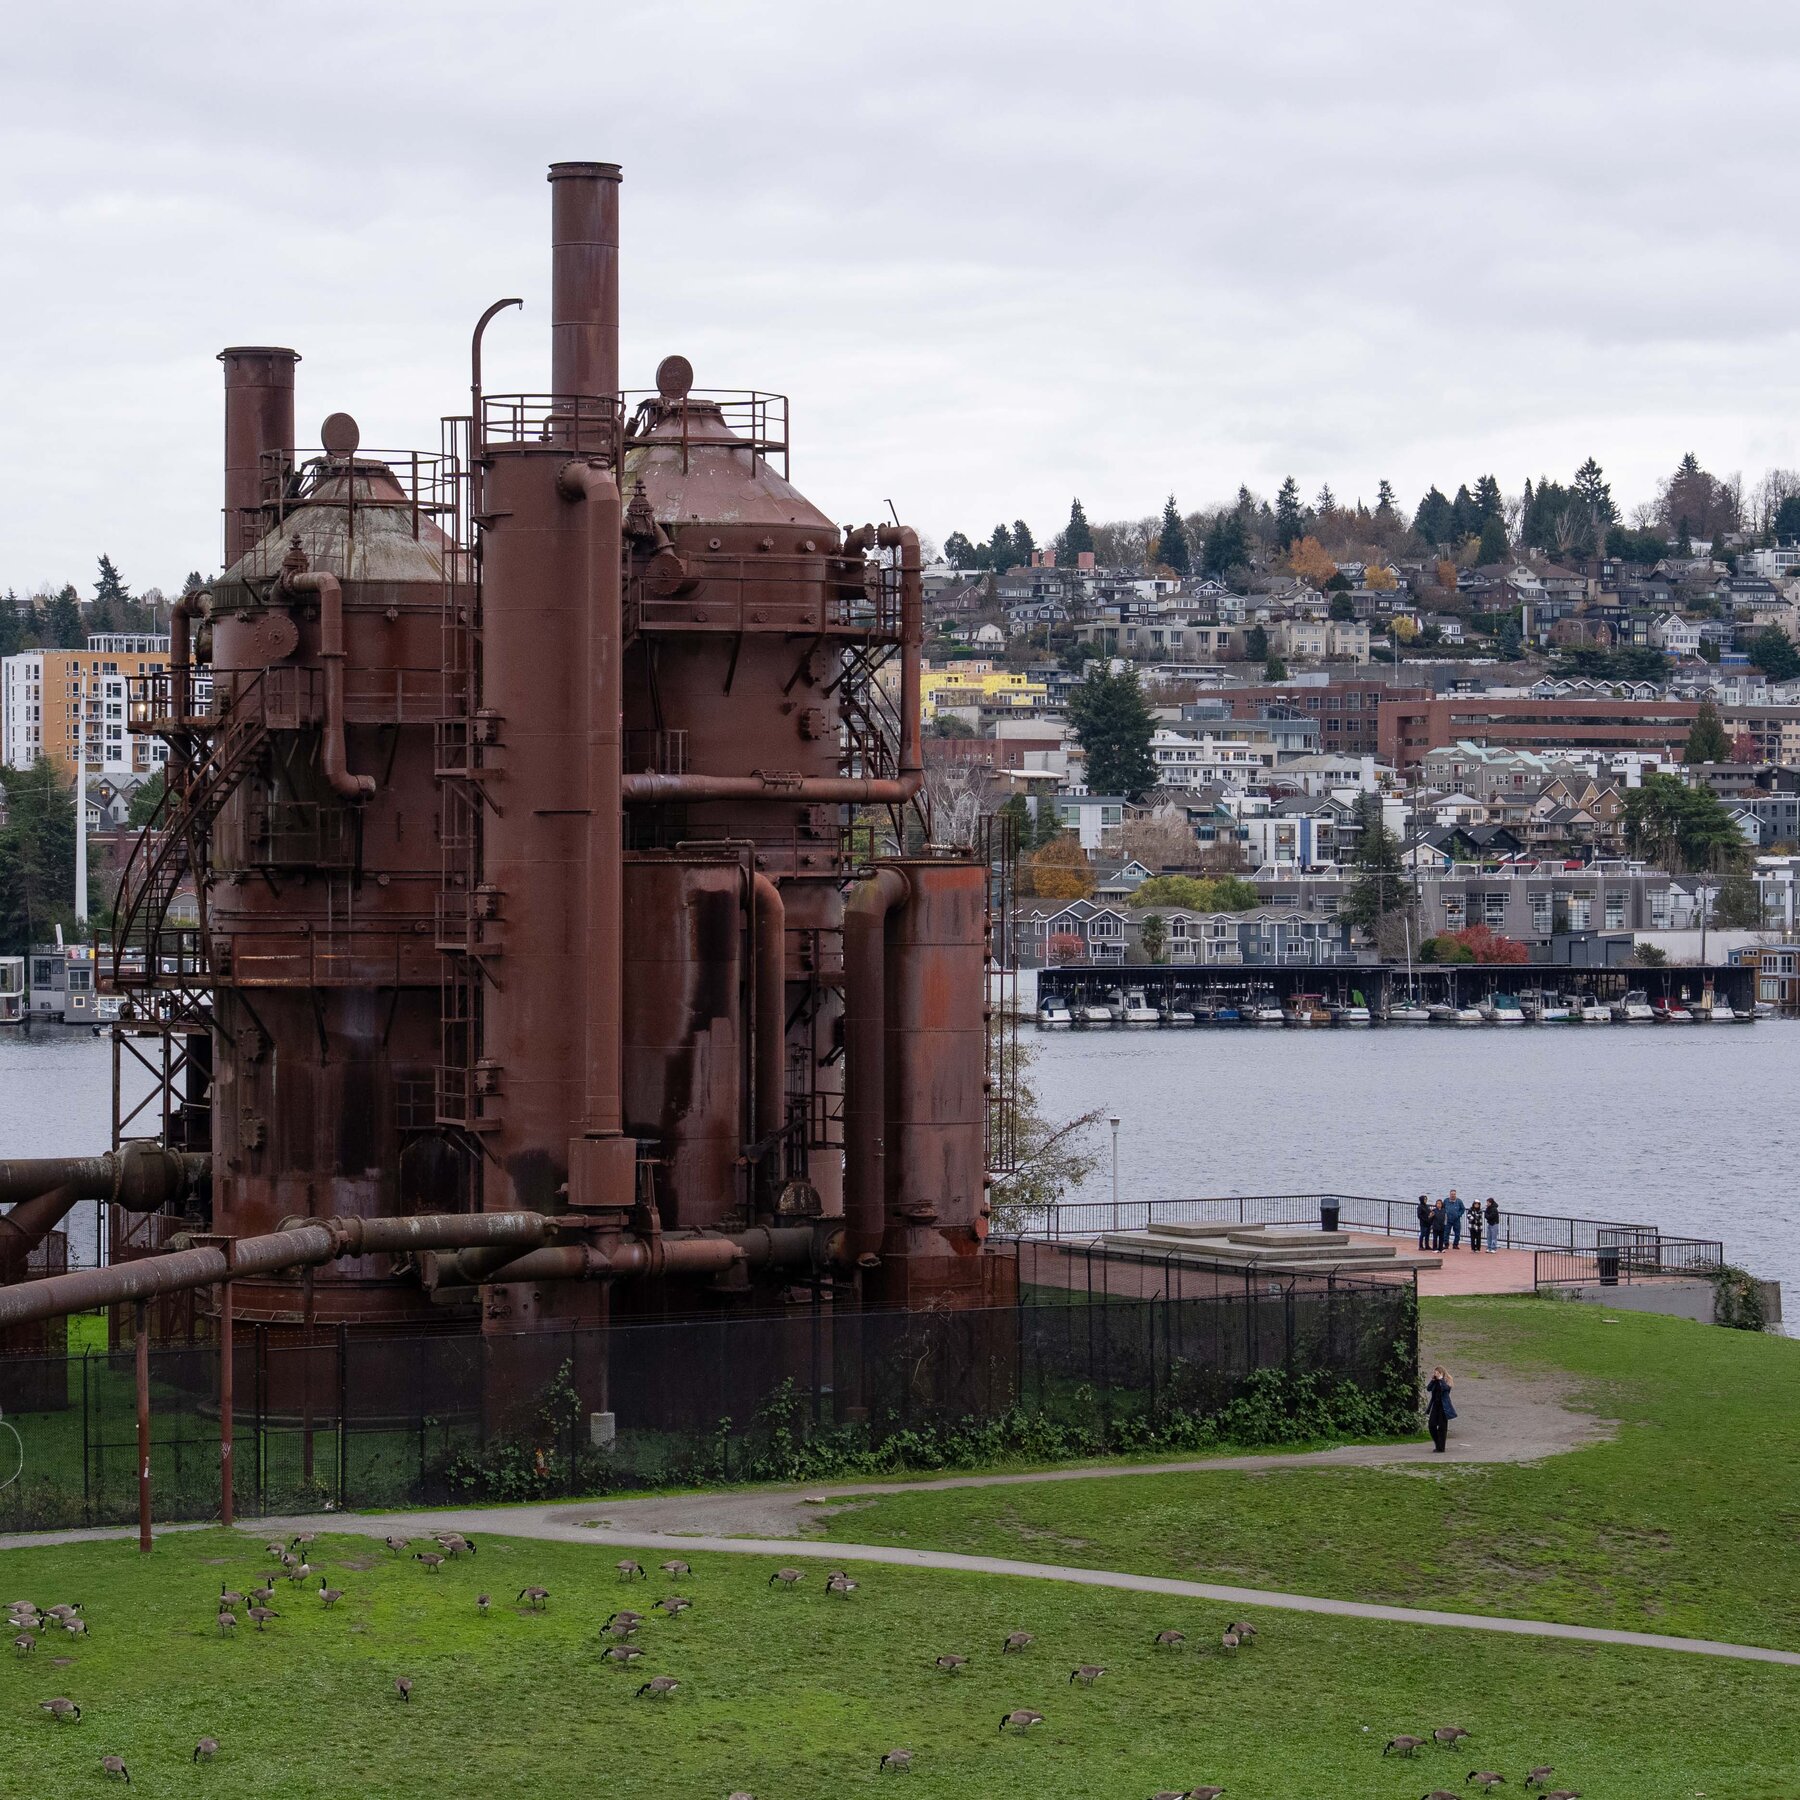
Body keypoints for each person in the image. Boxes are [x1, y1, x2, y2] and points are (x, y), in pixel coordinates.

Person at [1425, 1364, 1456, 1453]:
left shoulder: (1446, 1381)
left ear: (1441, 1373)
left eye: (1437, 1373)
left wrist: (1441, 1380)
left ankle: (1441, 1447)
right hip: (1435, 1405)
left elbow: (1445, 1389)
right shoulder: (1435, 1381)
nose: (1435, 1374)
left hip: (1444, 1407)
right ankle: (1437, 1443)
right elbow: (1428, 1388)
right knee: (1431, 1425)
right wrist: (1433, 1380)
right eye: (1435, 1372)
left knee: (1442, 1427)